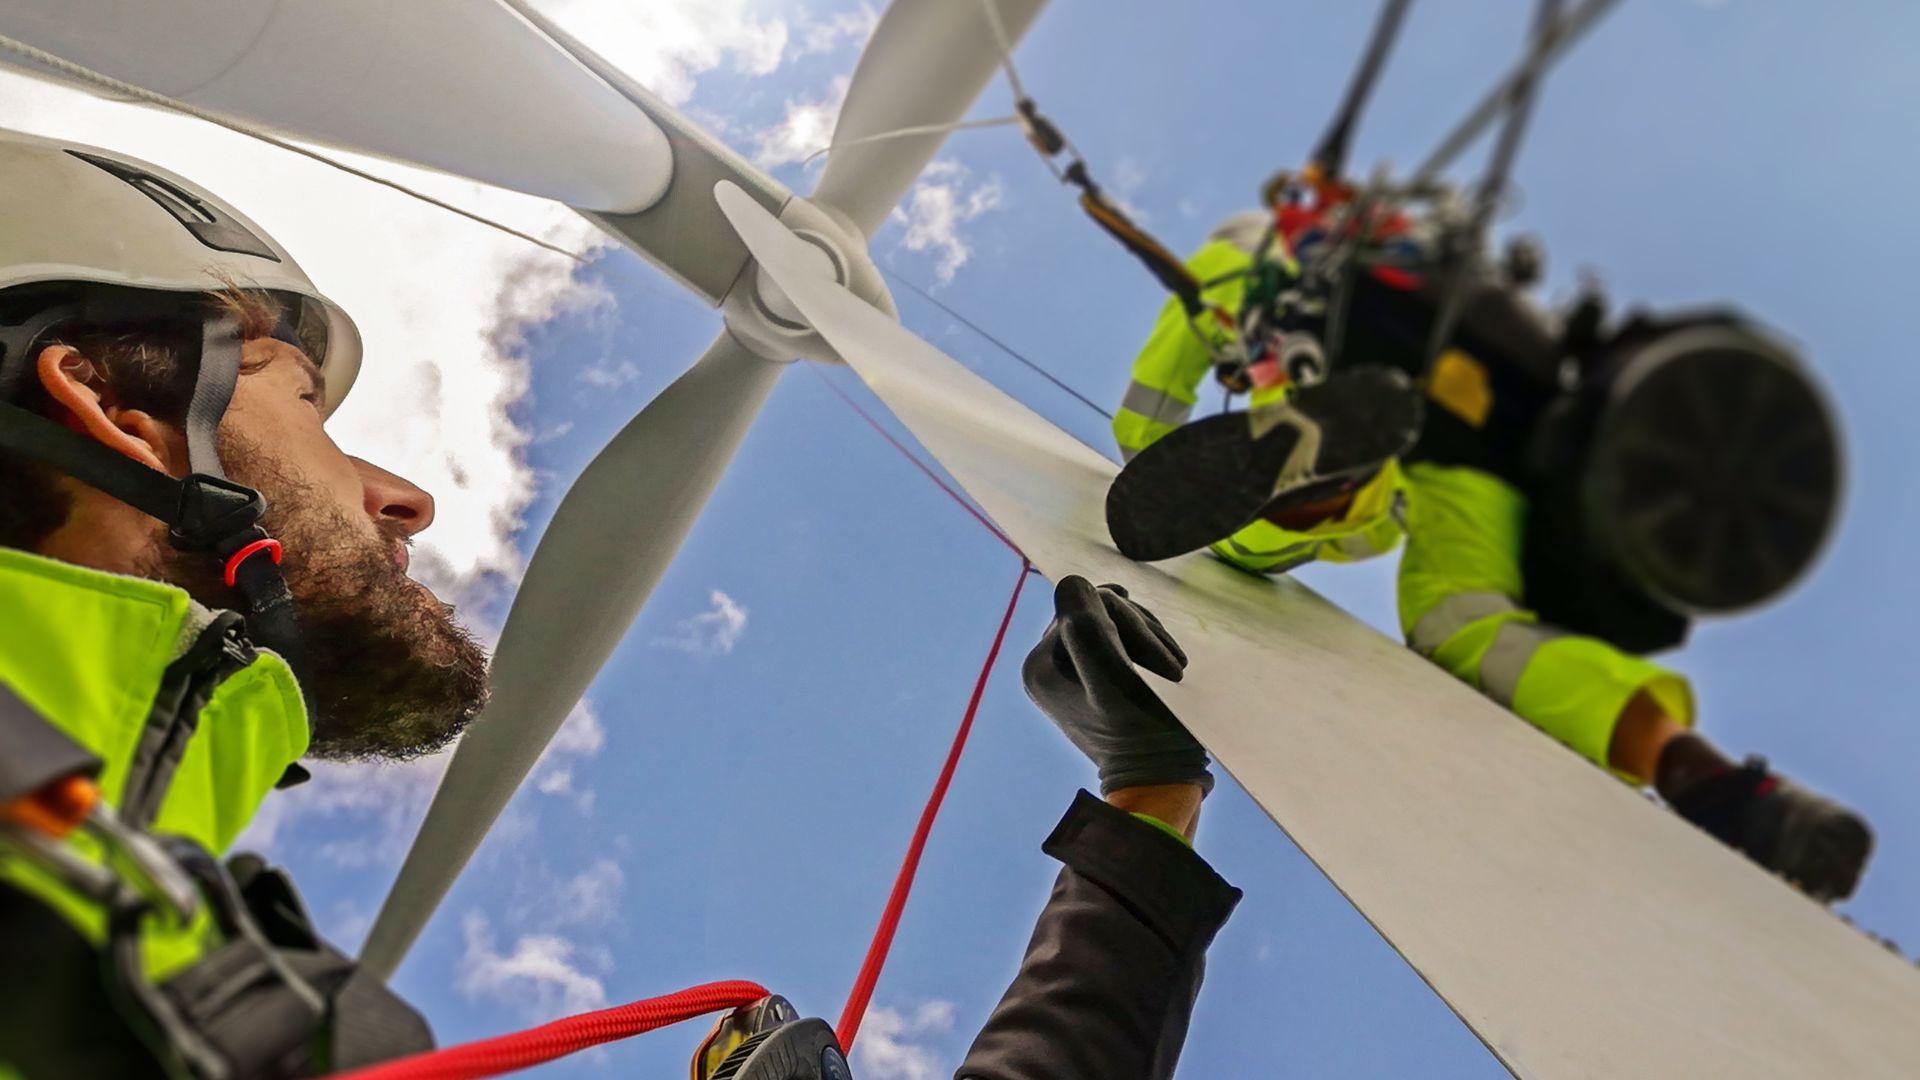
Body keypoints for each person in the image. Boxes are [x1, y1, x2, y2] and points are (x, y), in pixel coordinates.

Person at [0, 130, 1239, 1080]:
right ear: (113, 408)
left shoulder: (152, 951)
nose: (405, 498)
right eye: (308, 405)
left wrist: (1148, 800)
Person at [1105, 177, 1875, 904]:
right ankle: (1710, 780)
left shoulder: (1245, 256)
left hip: (1353, 357)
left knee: (1247, 543)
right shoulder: (1434, 254)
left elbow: (1147, 415)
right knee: (1467, 624)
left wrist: (1145, 448)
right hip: (1493, 416)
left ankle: (1323, 478)